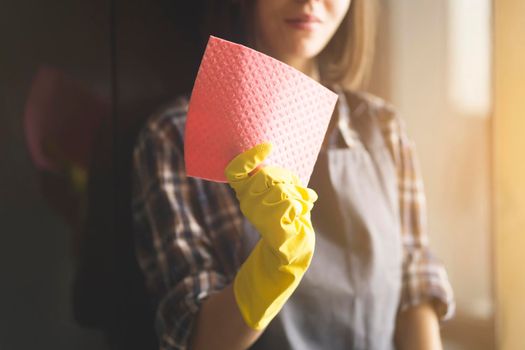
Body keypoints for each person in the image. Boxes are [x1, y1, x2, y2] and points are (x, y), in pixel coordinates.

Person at [131, 0, 456, 349]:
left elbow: (415, 283)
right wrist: (270, 272)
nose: (309, 2)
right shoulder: (176, 137)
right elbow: (194, 337)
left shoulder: (383, 128)